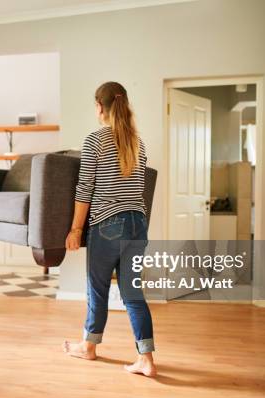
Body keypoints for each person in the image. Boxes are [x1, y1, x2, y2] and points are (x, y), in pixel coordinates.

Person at [62, 82, 157, 377]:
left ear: (100, 107)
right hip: (138, 224)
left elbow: (84, 189)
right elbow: (138, 189)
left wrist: (75, 229)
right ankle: (147, 360)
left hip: (108, 224)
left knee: (97, 290)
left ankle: (88, 347)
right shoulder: (138, 143)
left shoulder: (94, 141)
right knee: (133, 294)